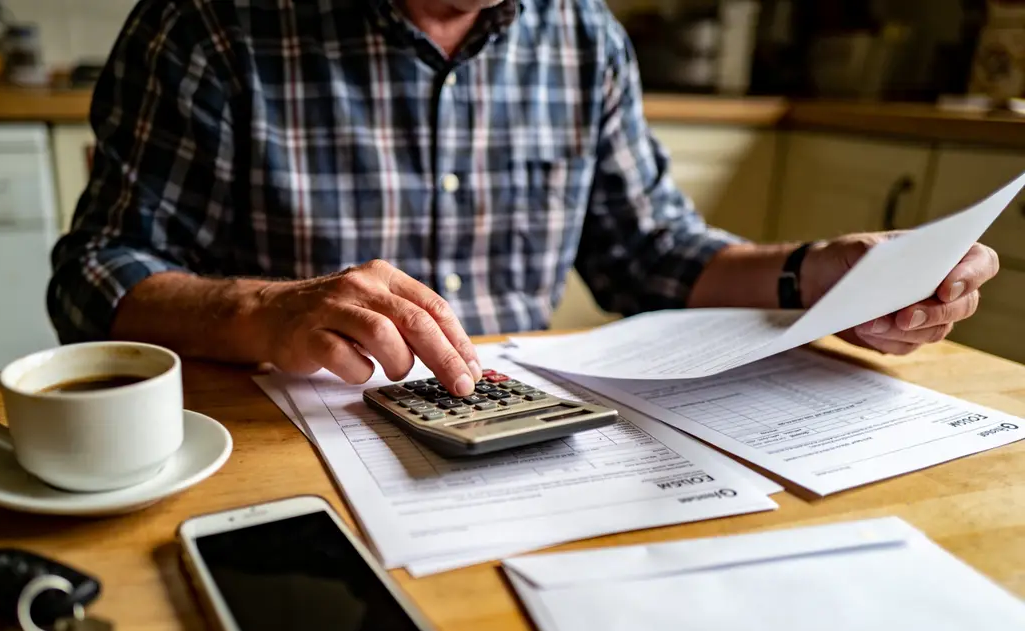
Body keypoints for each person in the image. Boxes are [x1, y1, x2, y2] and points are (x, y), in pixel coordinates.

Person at [49, 0, 999, 398]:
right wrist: (263, 310)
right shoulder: (209, 22)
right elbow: (98, 273)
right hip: (287, 442)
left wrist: (816, 274)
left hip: (527, 430)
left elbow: (651, 252)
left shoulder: (581, 34)